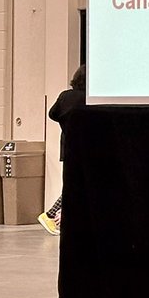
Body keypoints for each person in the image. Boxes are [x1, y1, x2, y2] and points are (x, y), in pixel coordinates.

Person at [39, 64, 86, 236]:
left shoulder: (65, 97)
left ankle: (56, 215)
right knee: (76, 185)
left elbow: (52, 114)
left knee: (71, 183)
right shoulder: (88, 99)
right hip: (86, 149)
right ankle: (50, 214)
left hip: (67, 148)